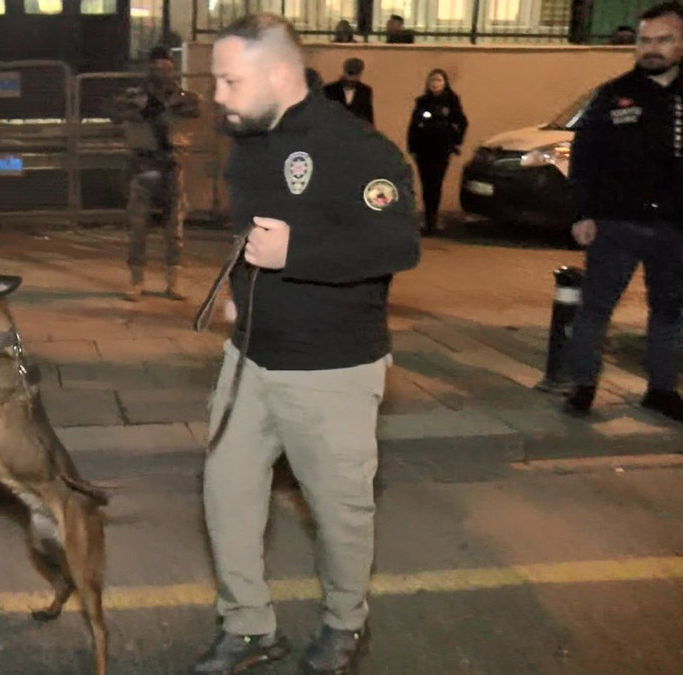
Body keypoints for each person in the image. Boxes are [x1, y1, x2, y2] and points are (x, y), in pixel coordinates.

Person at [194, 13, 421, 675]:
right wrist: (241, 290)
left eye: (230, 80)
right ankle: (247, 627)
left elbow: (397, 244)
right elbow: (251, 231)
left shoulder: (361, 150)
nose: (218, 94)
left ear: (279, 74)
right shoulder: (250, 141)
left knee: (339, 509)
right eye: (217, 80)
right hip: (251, 356)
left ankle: (346, 625)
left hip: (332, 367)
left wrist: (299, 251)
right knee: (226, 491)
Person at [562, 2, 683, 423]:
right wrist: (582, 213)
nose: (651, 49)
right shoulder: (614, 95)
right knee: (596, 308)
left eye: (663, 40)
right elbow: (584, 159)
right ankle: (583, 386)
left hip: (674, 227)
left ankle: (662, 389)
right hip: (616, 223)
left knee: (669, 311)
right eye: (644, 41)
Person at [108, 45, 201, 301]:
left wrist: (164, 105)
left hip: (172, 165)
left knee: (174, 227)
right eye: (156, 66)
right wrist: (141, 108)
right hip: (143, 165)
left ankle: (173, 282)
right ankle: (137, 281)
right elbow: (115, 113)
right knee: (138, 225)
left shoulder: (183, 96)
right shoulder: (134, 95)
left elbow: (194, 110)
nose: (160, 71)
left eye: (165, 66)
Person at [406, 68, 468, 234]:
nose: (435, 83)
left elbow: (462, 122)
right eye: (433, 80)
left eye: (439, 80)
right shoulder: (422, 102)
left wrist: (455, 141)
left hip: (441, 149)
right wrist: (412, 147)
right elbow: (413, 126)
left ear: (445, 83)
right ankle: (428, 219)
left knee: (436, 184)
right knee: (426, 185)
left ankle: (433, 219)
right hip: (423, 149)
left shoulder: (452, 101)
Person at [323, 57, 374, 126]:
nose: (351, 79)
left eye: (355, 75)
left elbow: (368, 118)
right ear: (344, 72)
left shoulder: (365, 91)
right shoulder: (329, 90)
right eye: (350, 74)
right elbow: (324, 115)